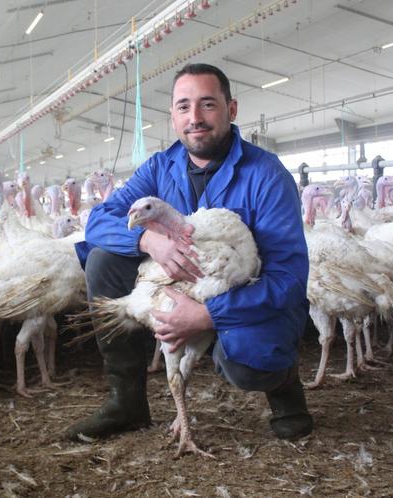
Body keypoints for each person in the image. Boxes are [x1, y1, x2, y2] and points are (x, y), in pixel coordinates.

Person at [67, 63, 312, 441]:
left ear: (231, 110)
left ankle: (284, 390)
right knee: (102, 259)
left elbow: (289, 280)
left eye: (207, 105)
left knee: (251, 358)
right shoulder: (159, 169)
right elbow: (98, 221)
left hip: (245, 296)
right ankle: (126, 401)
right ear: (172, 116)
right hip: (182, 286)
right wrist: (148, 241)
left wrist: (207, 315)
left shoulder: (266, 175)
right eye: (183, 107)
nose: (195, 118)